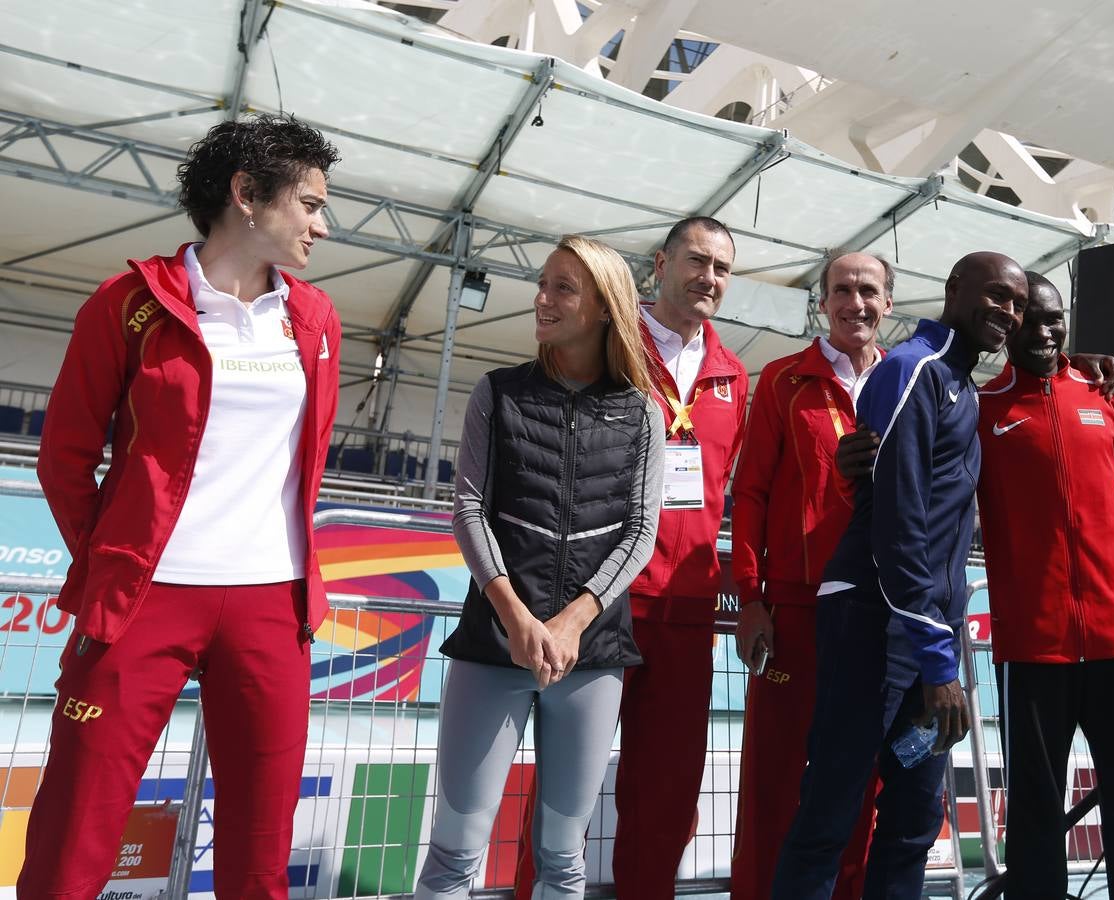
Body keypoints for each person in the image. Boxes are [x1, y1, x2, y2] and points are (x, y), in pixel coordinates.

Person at [18, 114, 342, 899]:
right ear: (247, 196)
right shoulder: (127, 302)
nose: (321, 226)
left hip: (273, 602)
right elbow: (64, 457)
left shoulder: (317, 320)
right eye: (308, 203)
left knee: (259, 855)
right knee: (74, 835)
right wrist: (111, 559)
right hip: (142, 599)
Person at [773, 251, 1030, 899]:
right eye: (996, 294)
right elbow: (898, 526)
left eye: (1018, 304)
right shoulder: (912, 369)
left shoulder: (962, 384)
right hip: (875, 622)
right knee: (831, 810)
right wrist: (939, 661)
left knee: (915, 817)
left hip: (923, 634)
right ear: (954, 289)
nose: (1007, 311)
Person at [415, 235, 665, 899]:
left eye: (563, 287)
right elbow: (469, 511)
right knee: (454, 851)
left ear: (603, 308)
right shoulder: (497, 392)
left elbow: (642, 532)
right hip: (494, 645)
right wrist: (519, 619)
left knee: (563, 857)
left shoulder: (643, 413)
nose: (543, 298)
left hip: (592, 656)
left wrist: (575, 622)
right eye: (544, 283)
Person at [513, 216, 748, 899]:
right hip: (599, 597)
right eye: (697, 261)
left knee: (668, 788)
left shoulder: (732, 375)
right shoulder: (607, 344)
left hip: (687, 606)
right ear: (660, 264)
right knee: (567, 786)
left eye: (722, 269)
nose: (709, 278)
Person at [976, 272, 1114, 899]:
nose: (1044, 331)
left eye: (1054, 318)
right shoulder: (982, 411)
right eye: (1029, 319)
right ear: (1008, 324)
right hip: (1035, 652)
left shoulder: (1105, 395)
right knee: (1036, 815)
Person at [729, 251, 892, 900]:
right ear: (823, 301)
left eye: (869, 290)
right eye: (842, 290)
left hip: (879, 612)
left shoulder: (908, 382)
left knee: (862, 782)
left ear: (888, 300)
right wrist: (750, 596)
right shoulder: (782, 380)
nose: (856, 302)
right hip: (796, 614)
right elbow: (751, 494)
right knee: (777, 779)